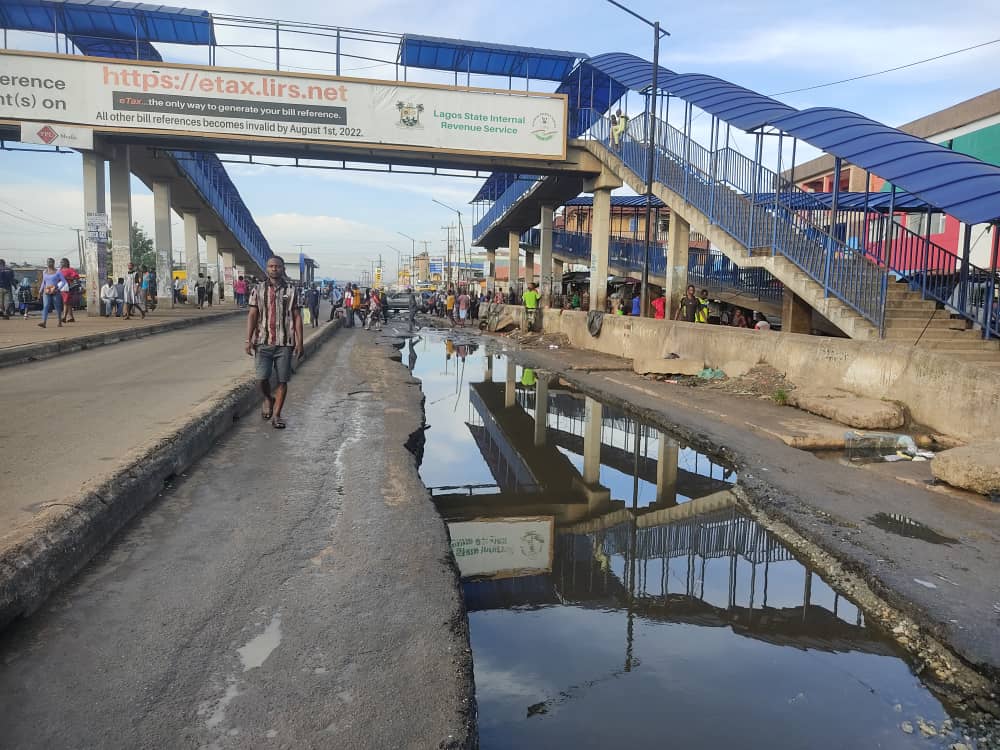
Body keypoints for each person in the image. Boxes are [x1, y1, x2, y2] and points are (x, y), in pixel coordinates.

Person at [246, 256, 303, 430]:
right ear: (267, 269)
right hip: (263, 341)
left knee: (282, 380)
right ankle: (268, 398)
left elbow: (297, 317)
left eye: (277, 266)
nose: (274, 269)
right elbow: (253, 315)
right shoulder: (258, 289)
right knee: (261, 379)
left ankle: (277, 415)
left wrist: (300, 342)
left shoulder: (292, 291)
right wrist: (248, 339)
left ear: (282, 268)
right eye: (271, 266)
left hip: (285, 343)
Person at [37, 257, 65, 328]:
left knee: (57, 307)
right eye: (48, 262)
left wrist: (58, 289)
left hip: (55, 291)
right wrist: (40, 291)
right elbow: (44, 282)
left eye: (50, 262)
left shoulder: (58, 272)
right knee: (46, 306)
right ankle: (44, 322)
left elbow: (64, 282)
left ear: (53, 263)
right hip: (46, 291)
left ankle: (59, 322)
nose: (49, 263)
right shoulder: (44, 272)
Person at [58, 258, 80, 323]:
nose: (61, 263)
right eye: (61, 262)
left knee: (66, 302)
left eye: (62, 262)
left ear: (66, 263)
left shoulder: (70, 270)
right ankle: (71, 317)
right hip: (62, 288)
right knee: (68, 303)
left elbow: (76, 277)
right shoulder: (60, 270)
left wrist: (67, 278)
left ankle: (64, 317)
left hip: (68, 288)